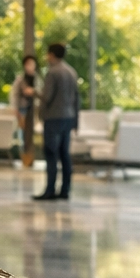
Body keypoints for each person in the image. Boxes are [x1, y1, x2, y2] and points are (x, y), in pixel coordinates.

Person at [35, 42, 79, 201]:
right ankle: (65, 189)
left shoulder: (53, 73)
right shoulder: (71, 72)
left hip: (53, 118)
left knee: (51, 153)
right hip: (68, 117)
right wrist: (76, 121)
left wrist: (34, 92)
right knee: (64, 154)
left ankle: (50, 190)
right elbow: (76, 98)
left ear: (51, 55)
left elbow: (47, 97)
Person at [11, 54, 39, 168]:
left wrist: (33, 91)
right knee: (21, 135)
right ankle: (25, 158)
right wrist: (15, 109)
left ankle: (31, 157)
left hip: (34, 110)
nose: (30, 66)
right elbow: (14, 95)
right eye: (28, 64)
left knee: (32, 135)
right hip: (22, 109)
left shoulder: (38, 79)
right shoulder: (20, 79)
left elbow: (42, 92)